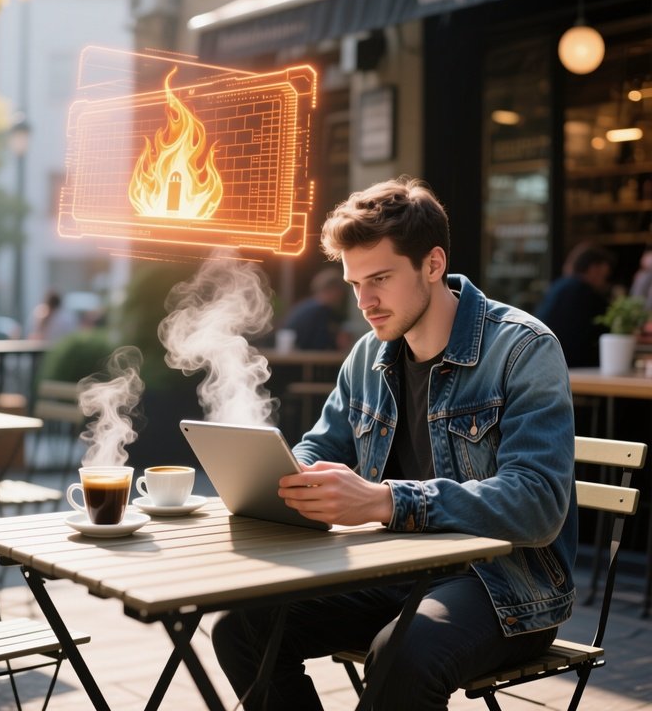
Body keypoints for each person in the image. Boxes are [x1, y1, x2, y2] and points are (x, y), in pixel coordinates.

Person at [212, 177, 577, 710]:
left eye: (379, 278)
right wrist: (284, 479)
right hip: (396, 572)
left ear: (432, 265)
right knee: (242, 626)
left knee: (402, 655)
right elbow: (321, 446)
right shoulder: (368, 354)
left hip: (507, 588)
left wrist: (385, 500)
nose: (365, 301)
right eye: (354, 283)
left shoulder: (523, 349)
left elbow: (538, 504)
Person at [535, 243, 614, 367]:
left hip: (543, 359)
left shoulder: (559, 286)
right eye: (604, 276)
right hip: (569, 364)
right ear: (594, 269)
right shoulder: (585, 292)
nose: (604, 282)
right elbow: (608, 329)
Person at [279, 267, 352, 351]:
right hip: (301, 360)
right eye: (341, 291)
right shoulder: (319, 311)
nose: (341, 297)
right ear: (334, 290)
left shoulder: (307, 306)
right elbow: (319, 345)